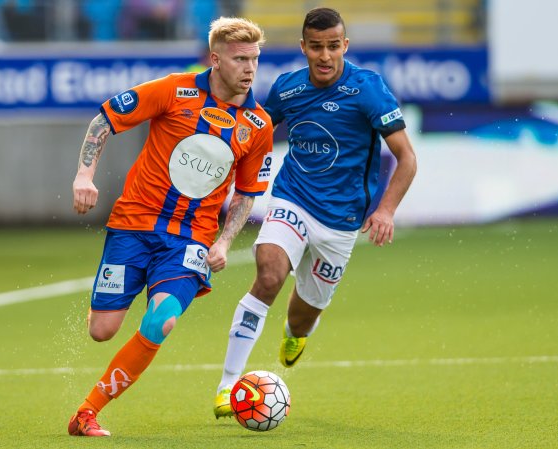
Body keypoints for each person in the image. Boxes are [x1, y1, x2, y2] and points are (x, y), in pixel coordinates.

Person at [67, 16, 273, 437]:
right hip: (133, 224)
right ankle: (109, 301)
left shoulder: (259, 126)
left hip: (190, 239)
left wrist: (224, 240)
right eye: (239, 59)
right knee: (102, 331)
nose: (249, 68)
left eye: (254, 58)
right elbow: (104, 119)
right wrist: (84, 175)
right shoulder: (174, 89)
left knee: (162, 319)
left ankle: (86, 413)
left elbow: (247, 193)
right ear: (215, 60)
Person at [213, 7, 417, 418]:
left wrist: (386, 211)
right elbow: (256, 134)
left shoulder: (368, 89)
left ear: (345, 45)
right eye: (317, 47)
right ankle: (227, 385)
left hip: (341, 222)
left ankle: (295, 333)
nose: (325, 56)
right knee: (268, 275)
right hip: (292, 199)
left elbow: (406, 157)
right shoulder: (287, 88)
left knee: (302, 316)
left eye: (333, 46)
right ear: (303, 47)